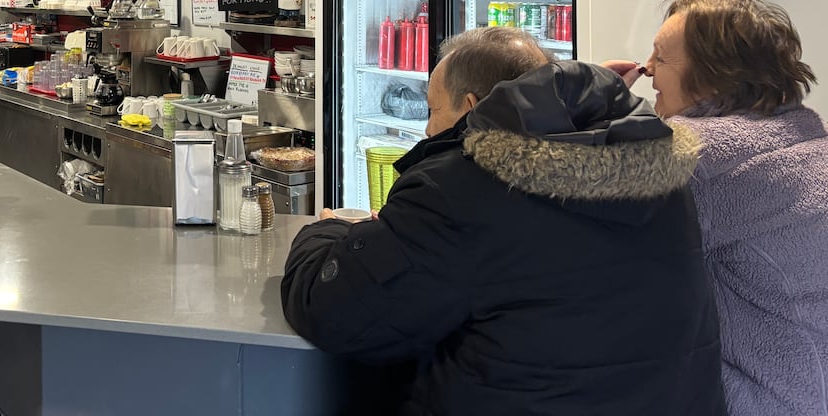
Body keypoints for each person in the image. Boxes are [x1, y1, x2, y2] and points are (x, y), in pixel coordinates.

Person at [282, 27, 725, 416]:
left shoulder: (458, 187)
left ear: (470, 106)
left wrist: (326, 230)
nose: (428, 131)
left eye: (433, 111)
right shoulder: (657, 173)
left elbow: (334, 311)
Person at [610, 0, 827, 416]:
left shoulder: (700, 160)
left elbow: (570, 213)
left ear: (715, 75)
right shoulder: (805, 133)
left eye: (660, 57)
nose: (647, 68)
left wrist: (583, 99)